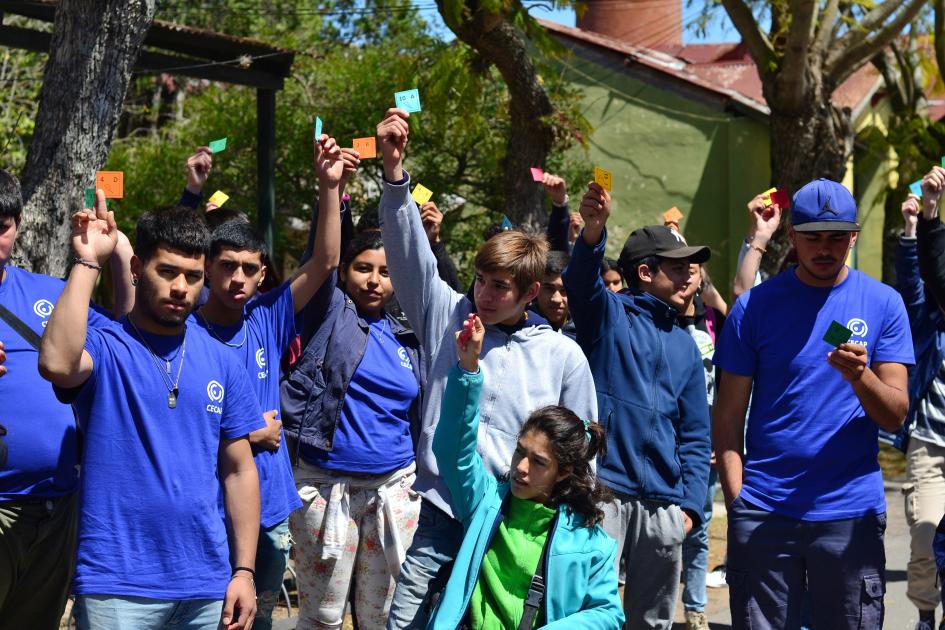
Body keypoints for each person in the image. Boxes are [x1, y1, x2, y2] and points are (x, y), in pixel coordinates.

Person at [374, 108, 597, 630]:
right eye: (480, 279)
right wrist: (393, 174)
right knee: (405, 620)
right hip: (442, 510)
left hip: (515, 519)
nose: (484, 293)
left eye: (500, 286)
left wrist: (574, 525)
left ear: (531, 293)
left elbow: (580, 446)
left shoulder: (562, 354)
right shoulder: (447, 315)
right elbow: (410, 259)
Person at [37, 199, 264, 630]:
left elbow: (239, 471)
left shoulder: (220, 360)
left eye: (193, 277)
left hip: (206, 584)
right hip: (117, 585)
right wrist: (88, 262)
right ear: (138, 269)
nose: (181, 287)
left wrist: (244, 571)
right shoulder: (107, 346)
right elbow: (56, 363)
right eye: (167, 272)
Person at [713, 178, 914, 629]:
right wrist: (738, 499)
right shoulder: (756, 308)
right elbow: (727, 416)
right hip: (766, 511)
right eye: (813, 237)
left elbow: (896, 413)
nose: (825, 248)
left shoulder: (884, 304)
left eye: (837, 237)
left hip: (849, 512)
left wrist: (860, 377)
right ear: (793, 237)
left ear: (853, 237)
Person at [193, 136, 349, 627]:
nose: (237, 278)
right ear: (207, 268)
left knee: (256, 620)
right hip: (210, 507)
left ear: (262, 275)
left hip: (272, 503)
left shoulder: (266, 318)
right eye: (227, 266)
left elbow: (324, 262)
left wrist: (329, 187)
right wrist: (246, 432)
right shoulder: (185, 331)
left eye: (248, 269)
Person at [280, 138, 426, 629]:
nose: (374, 280)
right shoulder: (327, 315)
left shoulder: (409, 335)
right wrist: (332, 191)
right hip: (327, 493)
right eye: (363, 268)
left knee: (383, 618)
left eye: (386, 273)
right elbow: (316, 262)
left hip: (393, 493)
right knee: (321, 618)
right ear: (345, 273)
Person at [562, 182, 711, 630]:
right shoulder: (609, 315)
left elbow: (696, 436)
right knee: (591, 613)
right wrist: (593, 231)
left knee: (653, 621)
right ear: (644, 272)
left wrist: (689, 508)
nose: (691, 275)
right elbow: (580, 284)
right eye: (679, 267)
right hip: (604, 492)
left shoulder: (686, 345)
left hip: (664, 506)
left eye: (692, 268)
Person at [427, 314, 623, 629]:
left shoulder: (591, 543)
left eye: (538, 462)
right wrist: (468, 370)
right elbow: (453, 449)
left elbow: (608, 614)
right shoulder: (485, 503)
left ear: (564, 472)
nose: (520, 467)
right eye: (520, 451)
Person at [0, 170, 132, 630]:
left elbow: (128, 335)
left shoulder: (45, 292)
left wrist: (117, 251)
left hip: (58, 505)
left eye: (2, 225)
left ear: (16, 226)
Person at [901, 179, 945, 630]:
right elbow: (916, 281)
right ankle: (925, 614)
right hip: (931, 443)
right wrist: (916, 227)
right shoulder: (931, 322)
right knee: (925, 533)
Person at [677, 264, 725, 630]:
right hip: (667, 446)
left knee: (698, 528)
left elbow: (726, 388)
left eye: (694, 271)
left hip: (704, 445)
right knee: (661, 533)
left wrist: (716, 438)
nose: (689, 277)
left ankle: (695, 610)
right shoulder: (660, 320)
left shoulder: (712, 322)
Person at [534, 250, 574, 338]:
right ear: (535, 289)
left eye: (564, 290)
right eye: (548, 288)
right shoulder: (520, 327)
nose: (556, 299)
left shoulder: (585, 331)